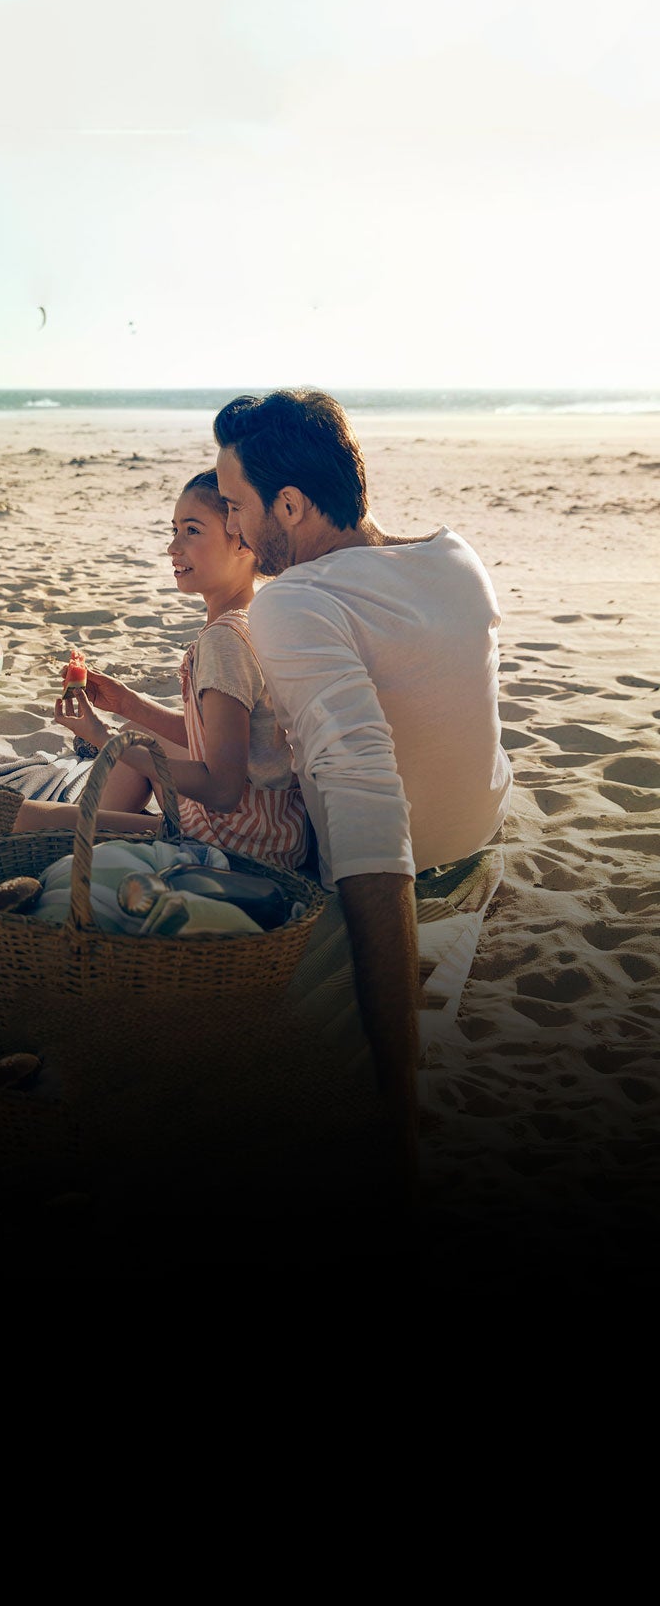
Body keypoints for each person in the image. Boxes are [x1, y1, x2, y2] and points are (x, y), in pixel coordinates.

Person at [213, 388, 512, 1150]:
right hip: (481, 849)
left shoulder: (294, 602)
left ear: (288, 505)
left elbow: (367, 807)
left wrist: (396, 1084)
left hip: (407, 885)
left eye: (235, 506)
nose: (231, 527)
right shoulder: (455, 557)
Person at [13, 472, 308, 872]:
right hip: (277, 829)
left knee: (25, 818)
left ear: (241, 541)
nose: (173, 547)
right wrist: (129, 704)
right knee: (142, 733)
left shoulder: (223, 642)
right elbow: (224, 741)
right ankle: (99, 828)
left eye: (192, 531)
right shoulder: (255, 617)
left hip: (236, 845)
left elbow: (222, 790)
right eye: (175, 530)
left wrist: (102, 738)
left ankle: (93, 837)